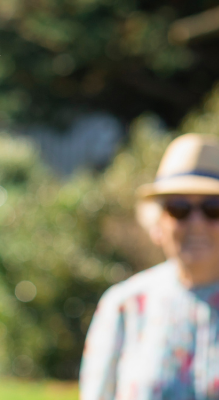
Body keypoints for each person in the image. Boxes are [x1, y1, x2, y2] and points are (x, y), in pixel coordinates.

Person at [80, 133, 219, 400]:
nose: (196, 223)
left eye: (213, 208)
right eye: (179, 208)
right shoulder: (125, 304)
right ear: (158, 224)